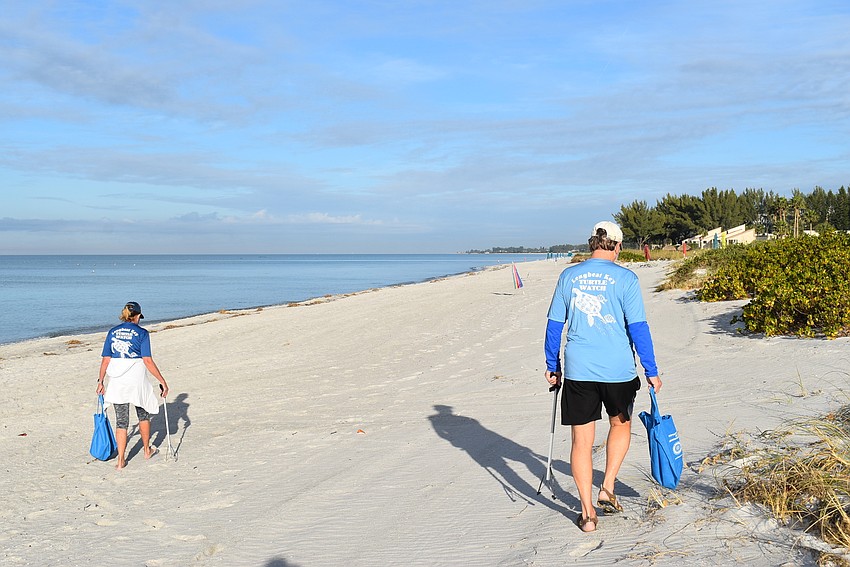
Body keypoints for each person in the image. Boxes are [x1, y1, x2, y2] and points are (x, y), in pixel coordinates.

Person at [544, 221, 661, 532]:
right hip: (618, 369)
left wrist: (551, 365)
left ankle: (587, 514)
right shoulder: (626, 278)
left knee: (582, 440)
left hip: (580, 368)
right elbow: (638, 327)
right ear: (618, 246)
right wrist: (651, 370)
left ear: (591, 244)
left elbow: (555, 324)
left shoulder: (569, 275)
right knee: (620, 422)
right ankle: (607, 486)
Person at [96, 301, 169, 470]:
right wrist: (162, 381)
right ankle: (146, 450)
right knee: (143, 415)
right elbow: (147, 360)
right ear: (136, 316)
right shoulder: (142, 333)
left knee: (122, 421)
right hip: (137, 382)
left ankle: (121, 460)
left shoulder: (113, 332)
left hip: (118, 381)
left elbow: (106, 359)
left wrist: (100, 381)